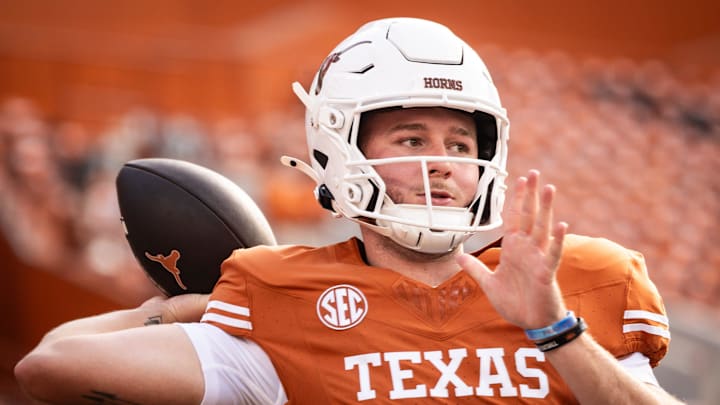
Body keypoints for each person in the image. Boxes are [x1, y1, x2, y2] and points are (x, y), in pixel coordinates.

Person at [14, 17, 682, 404]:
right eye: (412, 139)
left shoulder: (585, 283)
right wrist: (191, 307)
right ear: (339, 150)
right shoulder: (279, 297)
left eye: (459, 142)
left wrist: (553, 329)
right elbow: (46, 362)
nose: (444, 161)